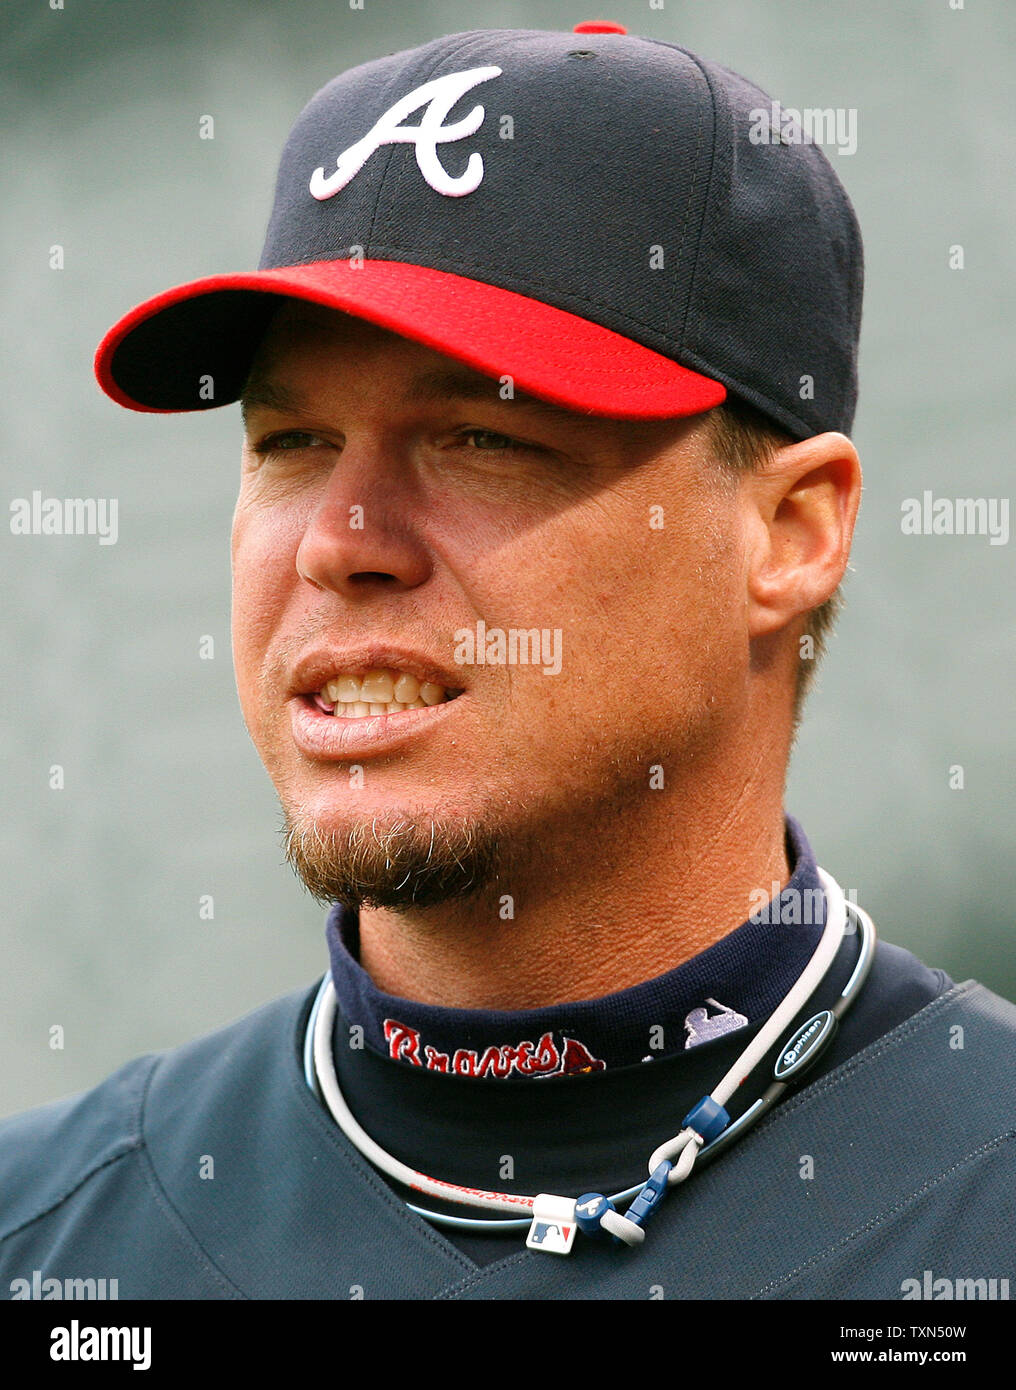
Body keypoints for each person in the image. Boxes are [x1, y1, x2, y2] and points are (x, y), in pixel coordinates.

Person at [2, 21, 1014, 1302]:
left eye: (482, 436)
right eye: (291, 442)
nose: (337, 543)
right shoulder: (45, 1246)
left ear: (788, 533)